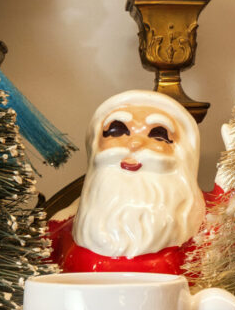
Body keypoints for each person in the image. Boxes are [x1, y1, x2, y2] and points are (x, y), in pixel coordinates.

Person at [52, 89, 208, 273]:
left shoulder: (207, 227)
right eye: (117, 131)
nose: (134, 143)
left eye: (158, 135)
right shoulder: (61, 228)